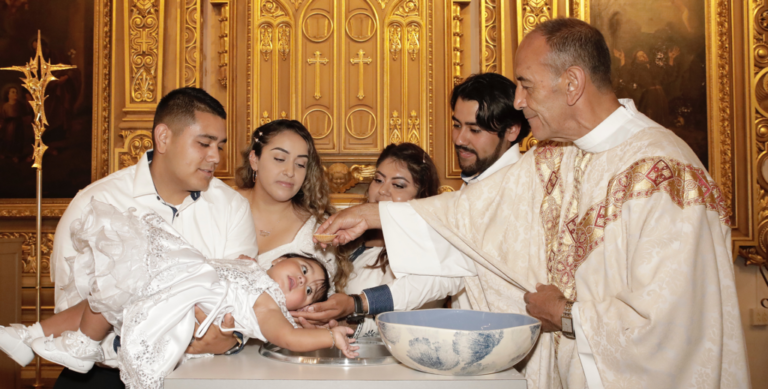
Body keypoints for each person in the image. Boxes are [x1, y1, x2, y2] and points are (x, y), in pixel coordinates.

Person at [315, 18, 749, 388]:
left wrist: (565, 315)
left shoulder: (664, 174)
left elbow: (677, 327)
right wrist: (370, 213)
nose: (518, 102)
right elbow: (469, 216)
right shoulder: (555, 155)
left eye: (525, 85)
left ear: (572, 83)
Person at [2, 88, 259, 388]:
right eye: (204, 144)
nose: (215, 157)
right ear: (163, 138)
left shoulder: (232, 208)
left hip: (202, 377)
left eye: (220, 146)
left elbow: (244, 299)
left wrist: (231, 339)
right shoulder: (95, 203)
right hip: (106, 376)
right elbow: (71, 305)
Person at [0, 200, 356, 389]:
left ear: (296, 308)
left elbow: (290, 337)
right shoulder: (250, 266)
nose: (303, 283)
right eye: (304, 270)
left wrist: (328, 335)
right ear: (279, 258)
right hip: (173, 284)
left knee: (118, 289)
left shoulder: (267, 304)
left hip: (176, 315)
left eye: (309, 292)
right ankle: (28, 335)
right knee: (108, 288)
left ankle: (81, 345)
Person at [294, 72, 529, 326]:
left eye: (475, 129)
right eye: (457, 125)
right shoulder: (475, 188)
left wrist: (368, 216)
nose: (460, 139)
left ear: (512, 130)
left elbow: (440, 277)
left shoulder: (518, 189)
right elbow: (447, 273)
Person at [339, 142, 441, 338]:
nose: (383, 191)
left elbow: (405, 323)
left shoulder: (426, 251)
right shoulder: (349, 244)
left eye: (398, 185)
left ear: (421, 197)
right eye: (378, 180)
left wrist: (344, 321)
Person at [234, 120, 343, 296]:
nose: (290, 172)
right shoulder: (221, 203)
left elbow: (318, 303)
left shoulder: (317, 232)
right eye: (279, 159)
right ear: (254, 160)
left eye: (300, 164)